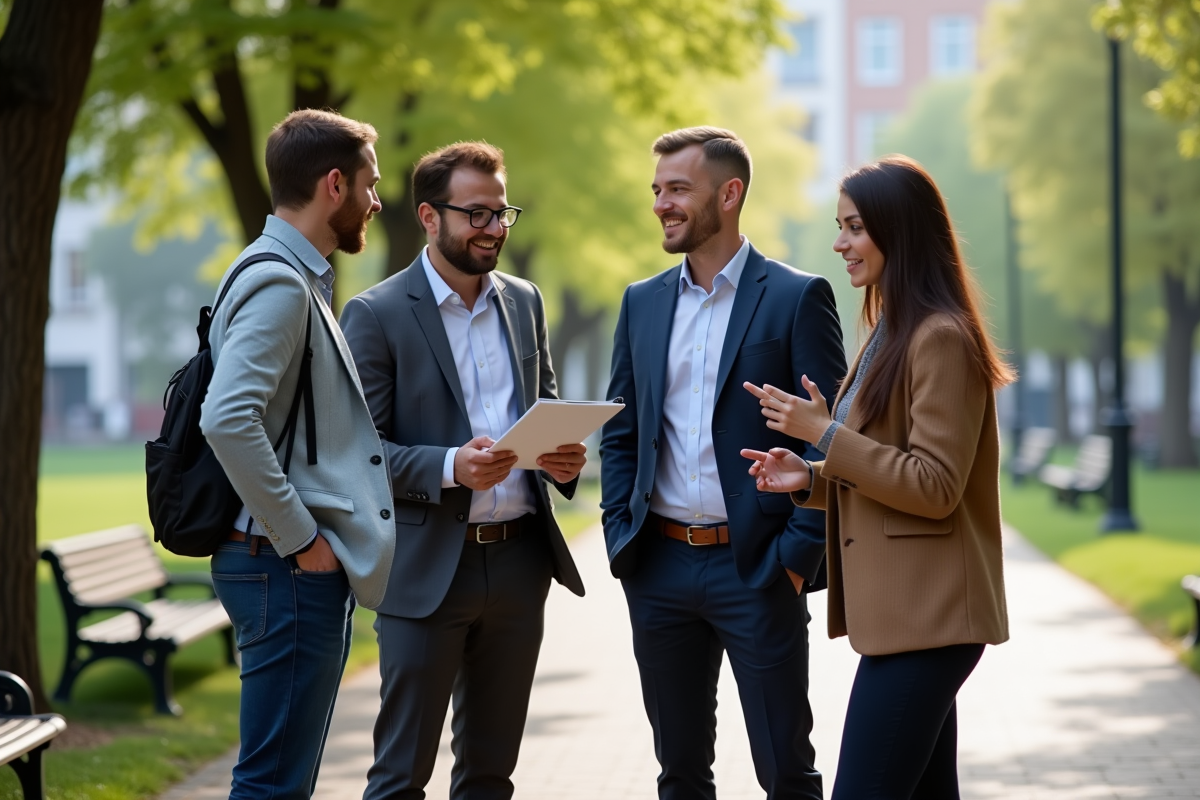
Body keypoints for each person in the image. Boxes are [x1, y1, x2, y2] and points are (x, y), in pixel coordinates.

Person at [741, 155, 1013, 799]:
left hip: (932, 619)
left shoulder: (940, 337)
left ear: (901, 230)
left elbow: (933, 485)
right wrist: (808, 478)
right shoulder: (891, 329)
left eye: (855, 227)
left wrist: (823, 435)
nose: (840, 243)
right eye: (840, 227)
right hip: (907, 621)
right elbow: (885, 465)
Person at [599, 126, 846, 800]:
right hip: (660, 567)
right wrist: (624, 538)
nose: (661, 204)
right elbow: (621, 431)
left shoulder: (797, 297)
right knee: (679, 774)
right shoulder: (641, 302)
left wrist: (797, 559)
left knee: (786, 771)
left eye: (677, 189)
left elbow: (831, 438)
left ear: (729, 194)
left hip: (760, 567)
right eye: (657, 191)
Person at [340, 141, 588, 800]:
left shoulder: (525, 301)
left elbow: (547, 405)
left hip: (517, 566)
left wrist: (563, 458)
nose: (494, 228)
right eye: (476, 214)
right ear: (429, 217)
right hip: (424, 574)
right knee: (400, 778)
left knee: (489, 776)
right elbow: (355, 456)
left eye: (502, 213)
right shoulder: (376, 315)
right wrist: (452, 466)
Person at [201, 109, 396, 799]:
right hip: (281, 567)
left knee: (279, 781)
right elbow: (226, 417)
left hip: (276, 566)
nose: (378, 200)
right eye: (370, 185)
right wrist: (303, 539)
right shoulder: (282, 285)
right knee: (272, 786)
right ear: (334, 185)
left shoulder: (284, 273)